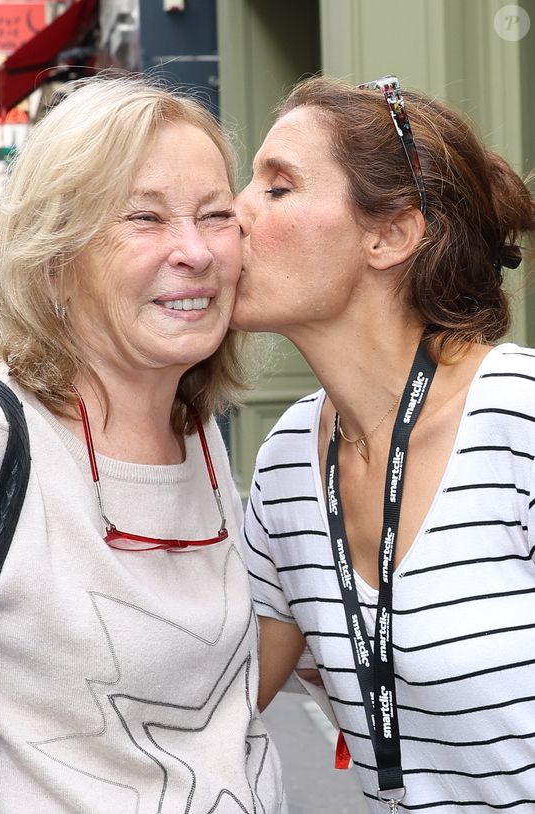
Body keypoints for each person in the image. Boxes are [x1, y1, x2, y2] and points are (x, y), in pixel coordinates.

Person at [0, 75, 285, 813]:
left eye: (215, 214)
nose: (195, 252)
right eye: (145, 217)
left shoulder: (198, 433)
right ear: (54, 255)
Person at [232, 74, 535, 812]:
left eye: (277, 188)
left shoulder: (519, 421)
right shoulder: (285, 465)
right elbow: (210, 703)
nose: (231, 213)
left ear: (390, 234)